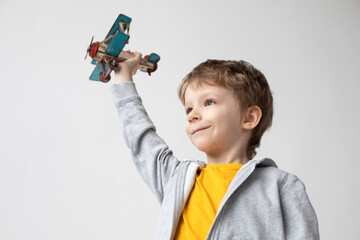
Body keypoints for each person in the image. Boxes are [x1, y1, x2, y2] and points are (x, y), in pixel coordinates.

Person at [110, 52, 319, 239]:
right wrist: (123, 78)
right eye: (188, 108)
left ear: (249, 117)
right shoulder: (176, 180)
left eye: (209, 102)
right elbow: (140, 137)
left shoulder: (280, 186)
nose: (192, 115)